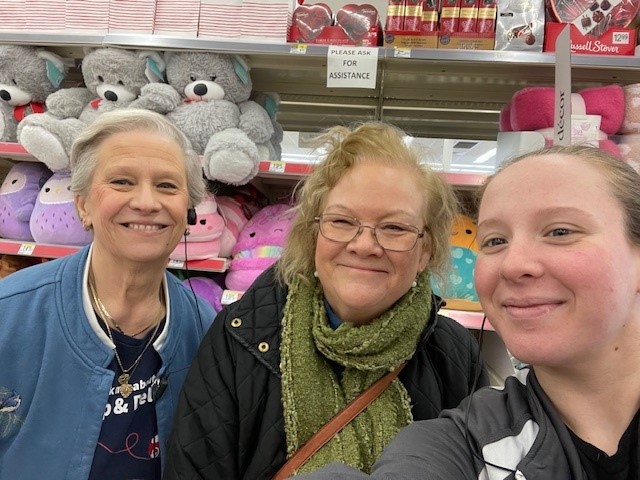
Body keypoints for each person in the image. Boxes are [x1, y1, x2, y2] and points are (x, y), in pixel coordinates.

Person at [163, 121, 489, 479]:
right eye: (342, 221)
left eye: (394, 227)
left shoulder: (454, 355)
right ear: (314, 232)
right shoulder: (241, 336)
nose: (364, 245)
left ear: (426, 249)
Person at [295, 143, 640, 479]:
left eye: (560, 231)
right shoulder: (461, 441)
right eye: (495, 240)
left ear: (426, 249)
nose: (513, 264)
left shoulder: (453, 350)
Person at [0, 109, 216, 479]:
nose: (147, 202)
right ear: (83, 205)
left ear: (188, 211)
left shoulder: (206, 332)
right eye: (121, 181)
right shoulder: (9, 314)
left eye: (167, 185)